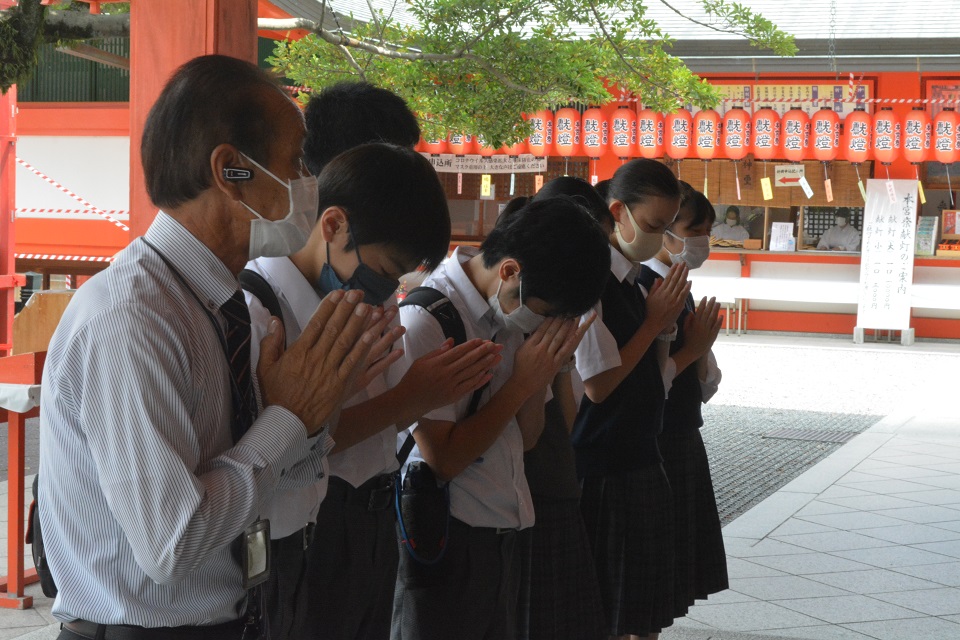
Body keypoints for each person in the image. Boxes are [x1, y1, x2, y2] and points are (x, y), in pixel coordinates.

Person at [38, 55, 383, 640]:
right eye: (295, 160)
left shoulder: (223, 306)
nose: (308, 183)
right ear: (232, 171)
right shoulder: (133, 318)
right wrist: (287, 417)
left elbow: (273, 473)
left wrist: (316, 411)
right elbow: (172, 544)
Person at [246, 143, 500, 640]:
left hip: (371, 517)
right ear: (334, 224)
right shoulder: (261, 314)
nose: (388, 288)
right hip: (305, 530)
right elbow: (281, 448)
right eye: (385, 271)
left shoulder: (352, 297)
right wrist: (408, 400)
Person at [390, 197, 612, 640]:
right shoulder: (427, 319)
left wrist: (540, 375)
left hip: (504, 529)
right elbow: (443, 460)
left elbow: (527, 439)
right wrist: (521, 383)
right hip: (448, 536)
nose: (542, 322)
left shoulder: (509, 316)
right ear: (510, 271)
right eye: (545, 311)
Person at [572, 158, 691, 640]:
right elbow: (598, 386)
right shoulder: (590, 279)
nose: (660, 240)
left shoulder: (636, 278)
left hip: (641, 449)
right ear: (618, 211)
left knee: (643, 611)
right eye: (653, 225)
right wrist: (652, 323)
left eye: (667, 228)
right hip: (603, 461)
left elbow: (648, 368)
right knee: (610, 610)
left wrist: (665, 327)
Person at [516, 178, 608, 640]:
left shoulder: (556, 303)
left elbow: (566, 410)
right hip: (526, 489)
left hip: (556, 478)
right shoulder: (529, 306)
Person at [638, 183, 728, 621]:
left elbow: (706, 379)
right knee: (648, 581)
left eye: (708, 232)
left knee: (665, 581)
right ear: (664, 228)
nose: (701, 243)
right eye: (696, 230)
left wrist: (699, 349)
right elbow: (638, 378)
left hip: (680, 426)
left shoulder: (676, 282)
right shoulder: (645, 283)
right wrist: (694, 349)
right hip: (656, 434)